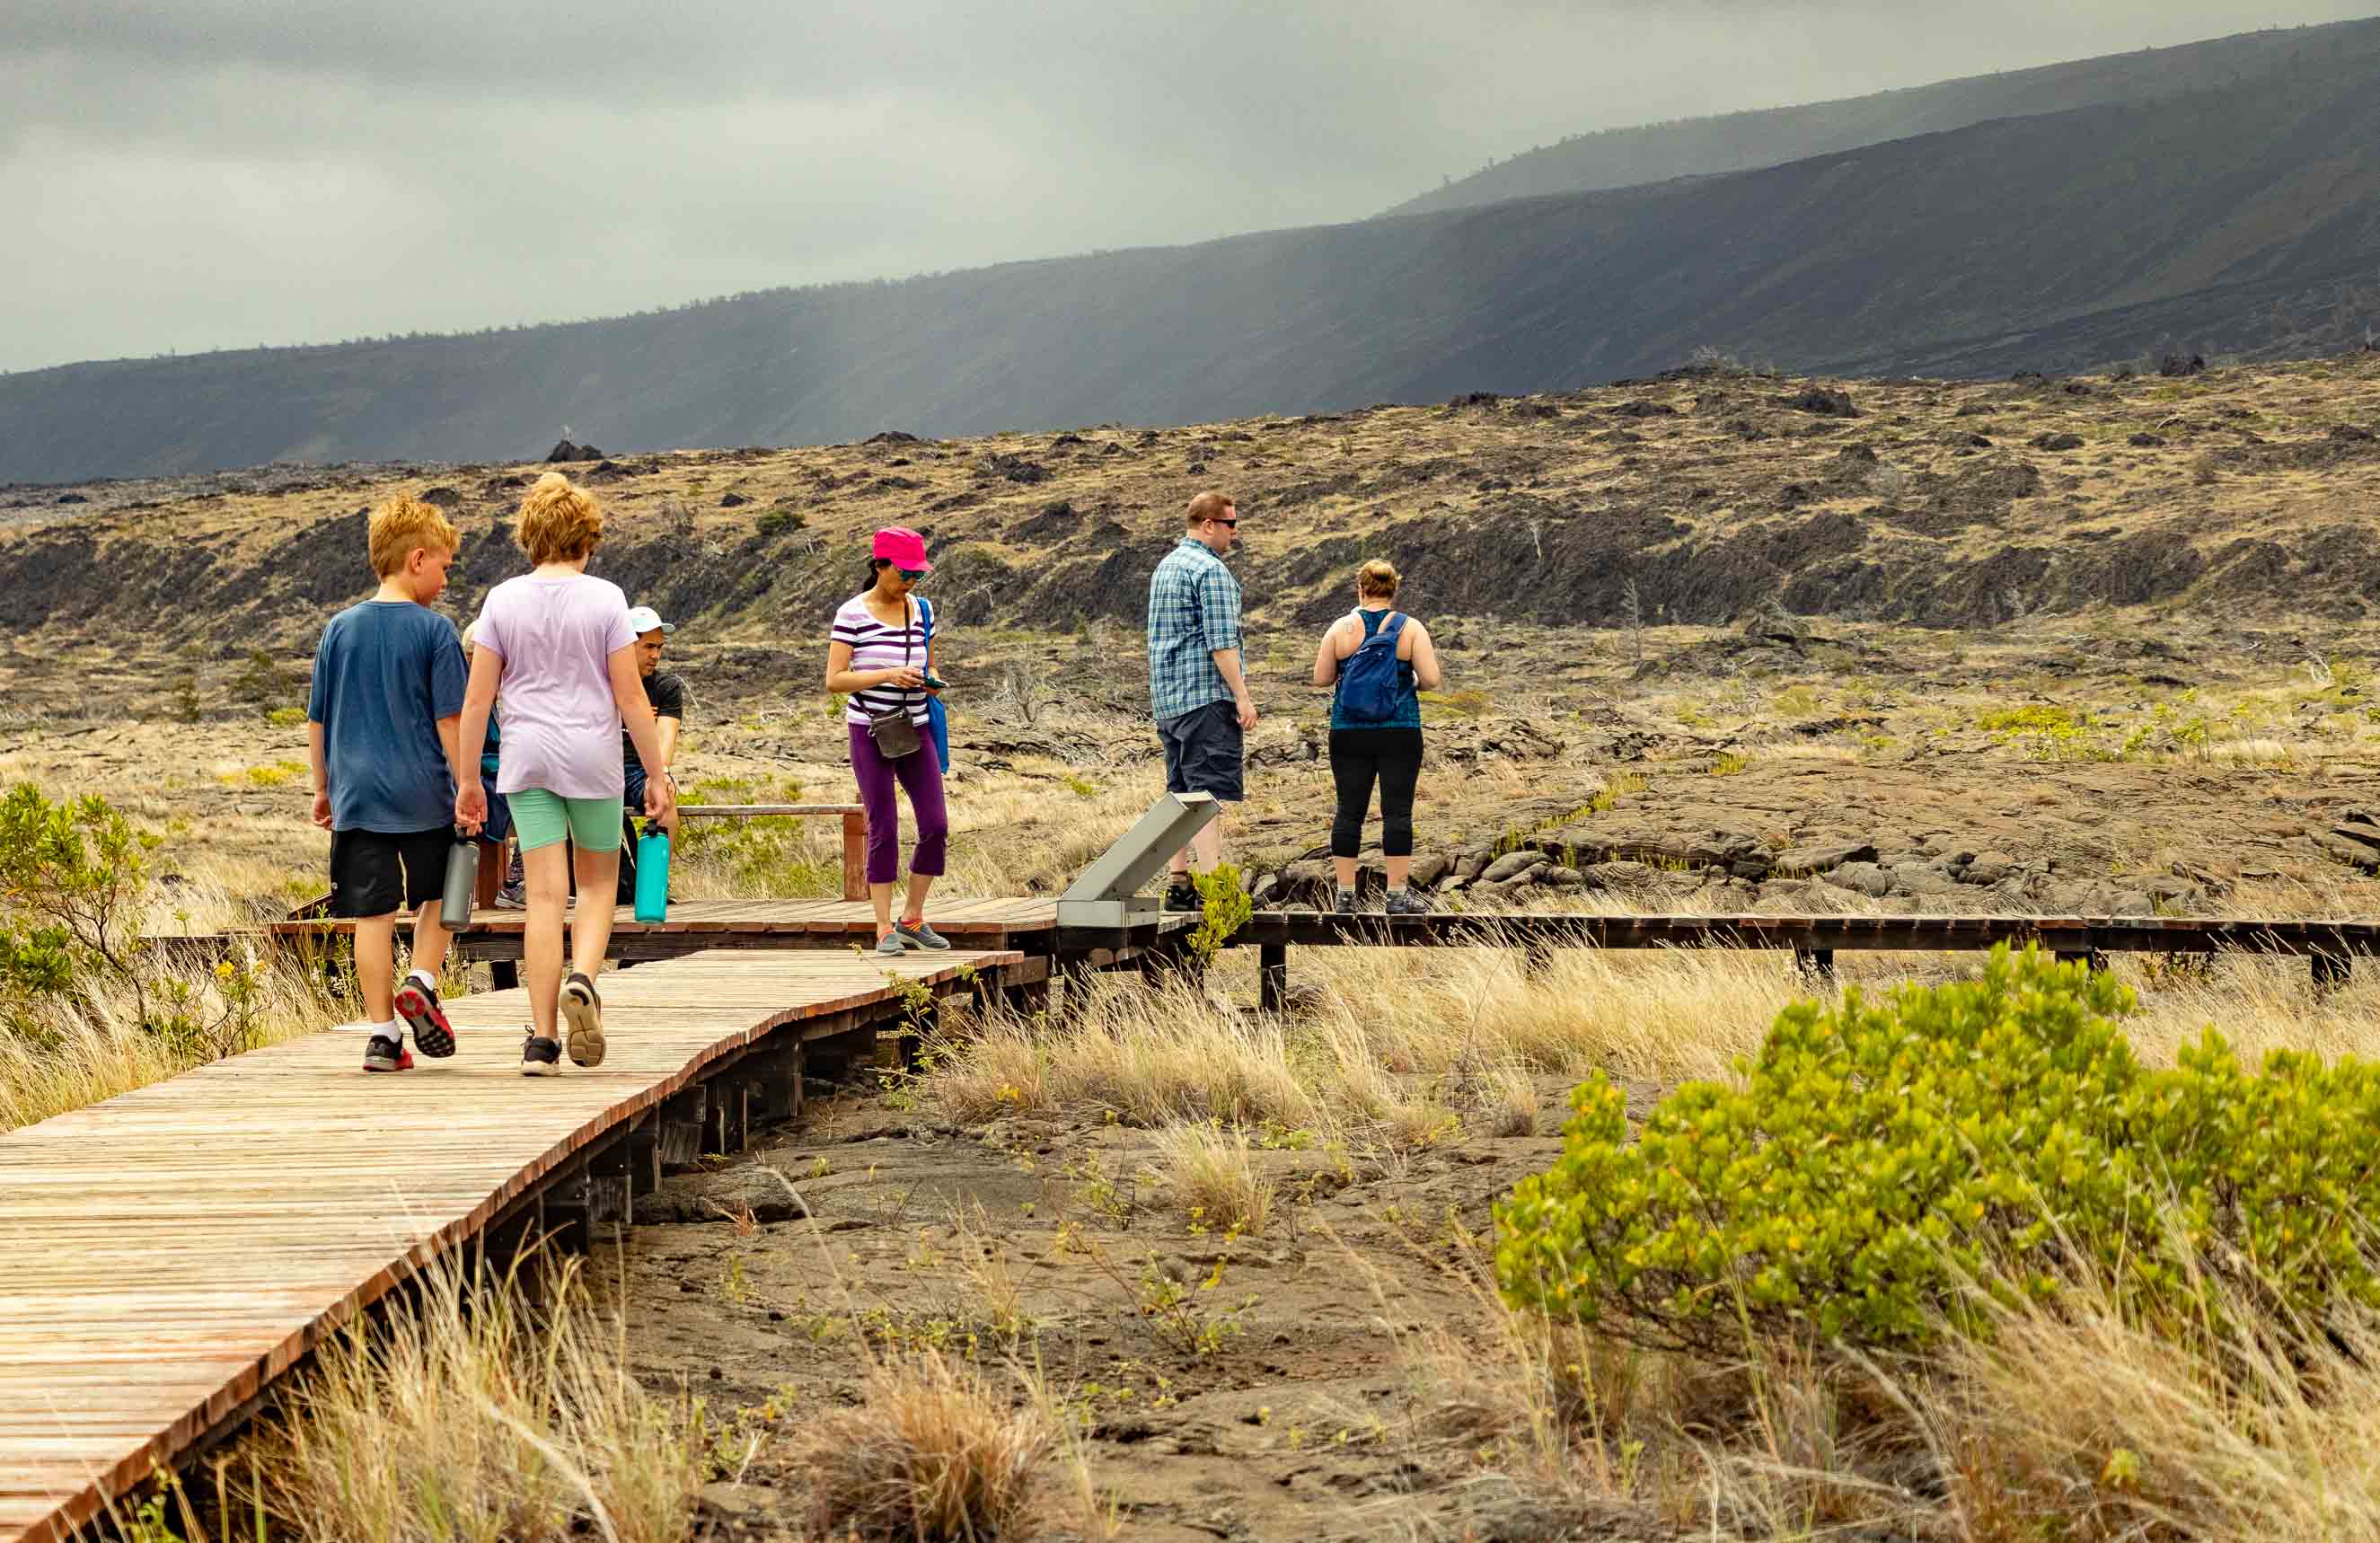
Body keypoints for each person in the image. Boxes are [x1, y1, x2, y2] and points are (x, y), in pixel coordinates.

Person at [454, 472, 677, 1076]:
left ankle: (543, 1043)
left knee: (545, 898)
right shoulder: (606, 600)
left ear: (530, 538)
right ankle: (583, 978)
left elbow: (477, 701)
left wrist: (469, 779)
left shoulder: (501, 600)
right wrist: (656, 775)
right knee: (599, 885)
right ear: (587, 538)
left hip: (528, 759)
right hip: (594, 760)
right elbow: (631, 697)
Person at [305, 494, 472, 1074]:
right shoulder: (436, 633)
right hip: (424, 791)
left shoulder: (338, 630)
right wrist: (467, 786)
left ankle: (382, 1036)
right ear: (418, 559)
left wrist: (322, 789)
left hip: (356, 795)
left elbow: (317, 719)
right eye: (446, 566)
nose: (447, 579)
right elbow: (449, 721)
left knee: (371, 917)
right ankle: (423, 980)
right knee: (443, 896)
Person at [825, 527, 950, 956]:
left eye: (918, 574)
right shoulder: (852, 614)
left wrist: (930, 683)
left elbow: (929, 663)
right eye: (904, 572)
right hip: (871, 729)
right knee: (885, 825)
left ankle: (913, 916)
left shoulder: (924, 611)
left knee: (935, 825)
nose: (911, 581)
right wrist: (886, 676)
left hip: (916, 727)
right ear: (879, 565)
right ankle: (882, 927)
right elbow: (834, 679)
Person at [1312, 559, 1442, 914]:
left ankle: (1344, 895)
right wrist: (1410, 678)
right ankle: (1397, 896)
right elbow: (1431, 680)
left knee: (1348, 812)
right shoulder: (1410, 628)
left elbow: (1322, 678)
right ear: (1393, 591)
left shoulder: (1340, 628)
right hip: (1400, 730)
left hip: (1348, 732)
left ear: (1360, 589)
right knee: (1397, 812)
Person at [1145, 489, 1255, 910]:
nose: (1234, 533)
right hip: (1206, 696)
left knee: (1180, 792)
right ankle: (1214, 889)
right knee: (1207, 794)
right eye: (1230, 524)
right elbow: (1222, 643)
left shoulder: (1165, 567)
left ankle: (1179, 882)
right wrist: (1242, 697)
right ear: (1209, 524)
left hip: (1169, 699)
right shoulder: (1211, 571)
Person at [615, 604, 685, 903]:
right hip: (600, 767)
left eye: (659, 647)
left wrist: (660, 775)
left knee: (665, 797)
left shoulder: (666, 687)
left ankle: (652, 885)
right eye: (648, 647)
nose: (656, 655)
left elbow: (665, 737)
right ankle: (618, 883)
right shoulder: (603, 681)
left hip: (638, 770)